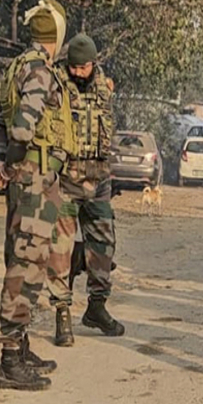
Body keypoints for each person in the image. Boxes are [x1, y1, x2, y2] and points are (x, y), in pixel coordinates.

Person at [0, 0, 77, 391]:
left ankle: (20, 346)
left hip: (29, 179)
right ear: (55, 37)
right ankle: (10, 358)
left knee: (28, 259)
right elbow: (23, 129)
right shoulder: (40, 70)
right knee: (25, 265)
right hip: (34, 179)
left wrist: (1, 163)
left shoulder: (17, 66)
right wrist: (12, 165)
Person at [58, 33, 125, 339]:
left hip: (98, 181)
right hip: (67, 184)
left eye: (82, 68)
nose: (77, 72)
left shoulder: (104, 88)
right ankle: (62, 312)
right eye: (73, 67)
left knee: (104, 245)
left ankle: (96, 307)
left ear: (93, 64)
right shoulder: (56, 82)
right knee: (62, 247)